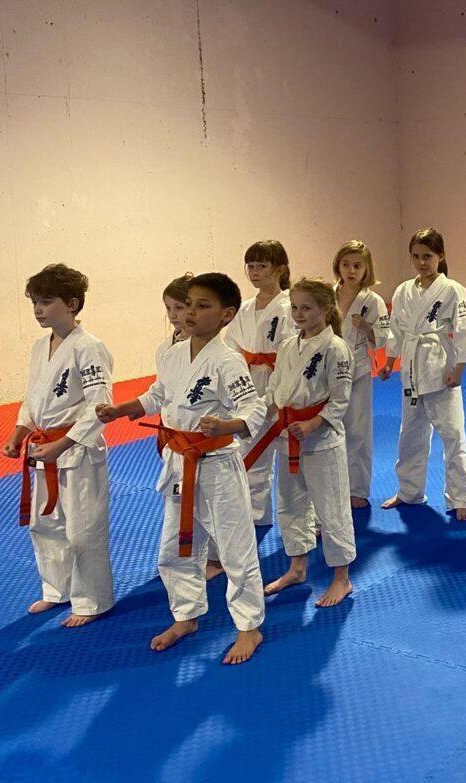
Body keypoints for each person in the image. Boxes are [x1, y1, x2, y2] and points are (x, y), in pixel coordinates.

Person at [97, 273, 267, 665]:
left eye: (202, 306)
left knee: (235, 548)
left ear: (226, 315)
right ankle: (185, 616)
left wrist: (227, 425)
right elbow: (159, 393)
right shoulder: (172, 354)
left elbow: (253, 407)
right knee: (175, 547)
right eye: (188, 304)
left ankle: (249, 627)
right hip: (178, 461)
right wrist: (124, 409)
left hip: (217, 464)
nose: (190, 312)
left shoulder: (227, 360)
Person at [1, 264, 115, 627]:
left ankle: (93, 600)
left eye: (46, 301)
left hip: (77, 450)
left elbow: (101, 405)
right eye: (35, 302)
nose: (38, 309)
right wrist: (19, 432)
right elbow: (33, 398)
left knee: (83, 529)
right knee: (45, 524)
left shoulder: (89, 347)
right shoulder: (40, 347)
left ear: (72, 304)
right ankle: (57, 589)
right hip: (43, 448)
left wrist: (63, 443)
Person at [246, 278, 357, 607]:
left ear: (325, 309)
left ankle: (342, 578)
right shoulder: (287, 345)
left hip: (321, 442)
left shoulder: (336, 348)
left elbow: (340, 399)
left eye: (306, 308)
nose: (298, 313)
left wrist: (312, 423)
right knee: (291, 506)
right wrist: (251, 420)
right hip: (286, 437)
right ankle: (297, 568)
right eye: (294, 307)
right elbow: (274, 392)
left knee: (331, 509)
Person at [378, 228, 466, 520]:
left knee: (453, 434)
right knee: (410, 434)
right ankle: (409, 491)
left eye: (428, 256)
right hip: (411, 368)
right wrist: (389, 362)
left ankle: (461, 497)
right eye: (416, 256)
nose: (422, 262)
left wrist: (459, 369)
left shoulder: (452, 290)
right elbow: (397, 329)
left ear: (441, 256)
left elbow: (465, 330)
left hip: (440, 368)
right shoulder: (403, 290)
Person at [224, 240, 297, 527]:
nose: (254, 272)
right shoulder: (244, 308)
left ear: (280, 269)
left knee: (292, 457)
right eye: (250, 266)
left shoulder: (290, 306)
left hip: (282, 385)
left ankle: (301, 519)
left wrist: (278, 394)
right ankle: (257, 515)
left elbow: (294, 351)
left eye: (262, 266)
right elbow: (231, 348)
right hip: (248, 383)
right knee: (251, 452)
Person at [332, 240, 390, 508]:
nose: (351, 270)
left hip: (358, 370)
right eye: (346, 264)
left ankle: (357, 489)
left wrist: (367, 328)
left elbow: (385, 336)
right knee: (327, 430)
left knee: (358, 430)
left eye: (357, 265)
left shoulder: (372, 301)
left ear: (367, 269)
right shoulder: (327, 295)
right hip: (327, 370)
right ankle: (331, 486)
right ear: (338, 266)